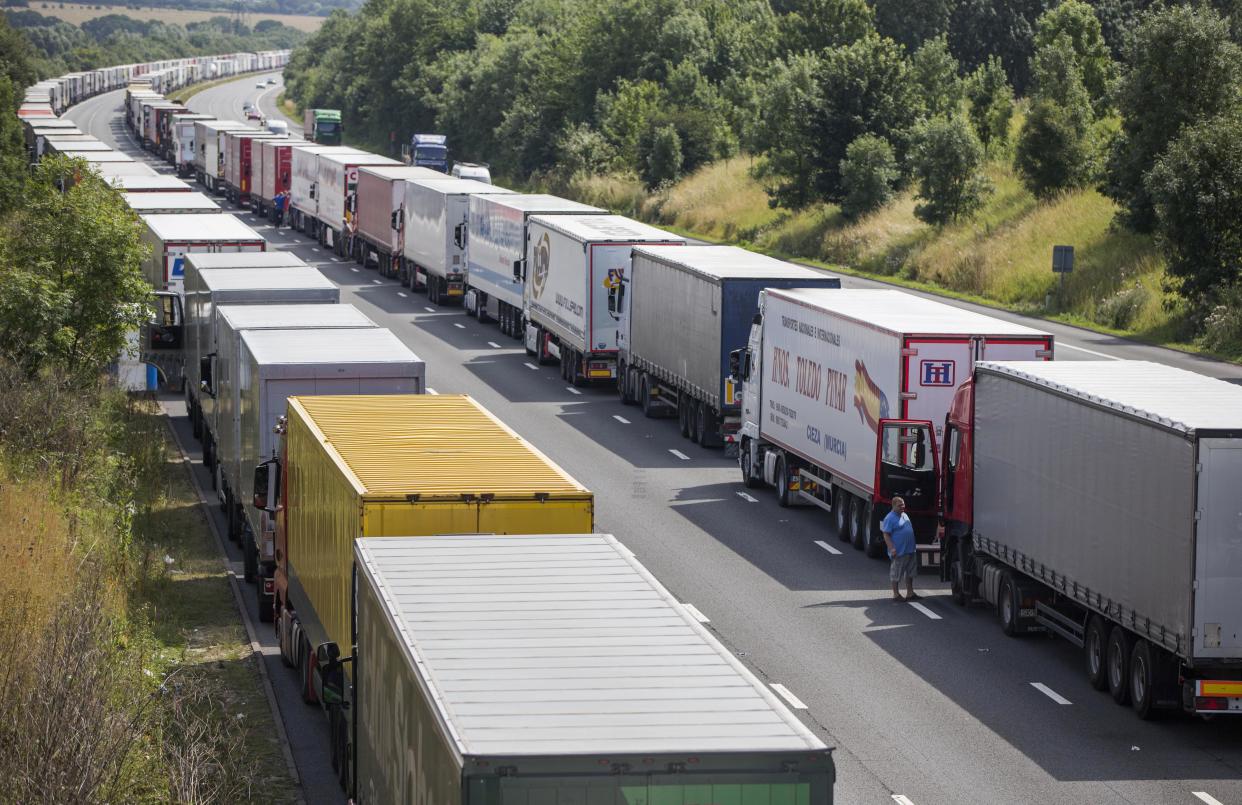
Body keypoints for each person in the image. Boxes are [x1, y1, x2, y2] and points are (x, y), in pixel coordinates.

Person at [881, 496, 918, 602]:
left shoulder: (904, 515)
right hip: (899, 551)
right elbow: (886, 534)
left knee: (910, 572)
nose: (902, 506)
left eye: (903, 504)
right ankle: (896, 594)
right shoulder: (889, 518)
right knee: (896, 573)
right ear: (893, 506)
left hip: (910, 550)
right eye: (899, 505)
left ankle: (910, 593)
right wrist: (891, 548)